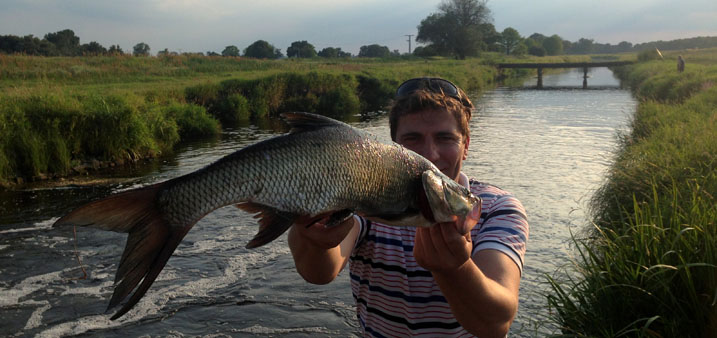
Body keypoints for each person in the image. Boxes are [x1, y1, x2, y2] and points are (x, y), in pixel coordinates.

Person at [288, 77, 529, 337]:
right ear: (394, 149)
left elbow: (496, 323)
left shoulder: (498, 208)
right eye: (412, 139)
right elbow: (320, 273)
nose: (430, 154)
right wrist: (313, 237)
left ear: (465, 146)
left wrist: (455, 270)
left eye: (445, 138)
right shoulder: (368, 196)